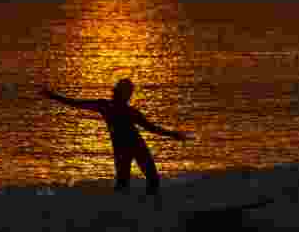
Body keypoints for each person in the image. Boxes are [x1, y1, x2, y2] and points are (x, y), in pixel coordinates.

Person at [41, 78, 190, 198]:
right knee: (124, 184)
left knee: (150, 180)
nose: (128, 96)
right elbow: (75, 103)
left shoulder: (124, 110)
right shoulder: (106, 106)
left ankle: (147, 207)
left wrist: (173, 134)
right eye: (127, 93)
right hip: (124, 149)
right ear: (120, 93)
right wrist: (53, 96)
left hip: (136, 146)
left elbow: (151, 128)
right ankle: (125, 212)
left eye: (129, 93)